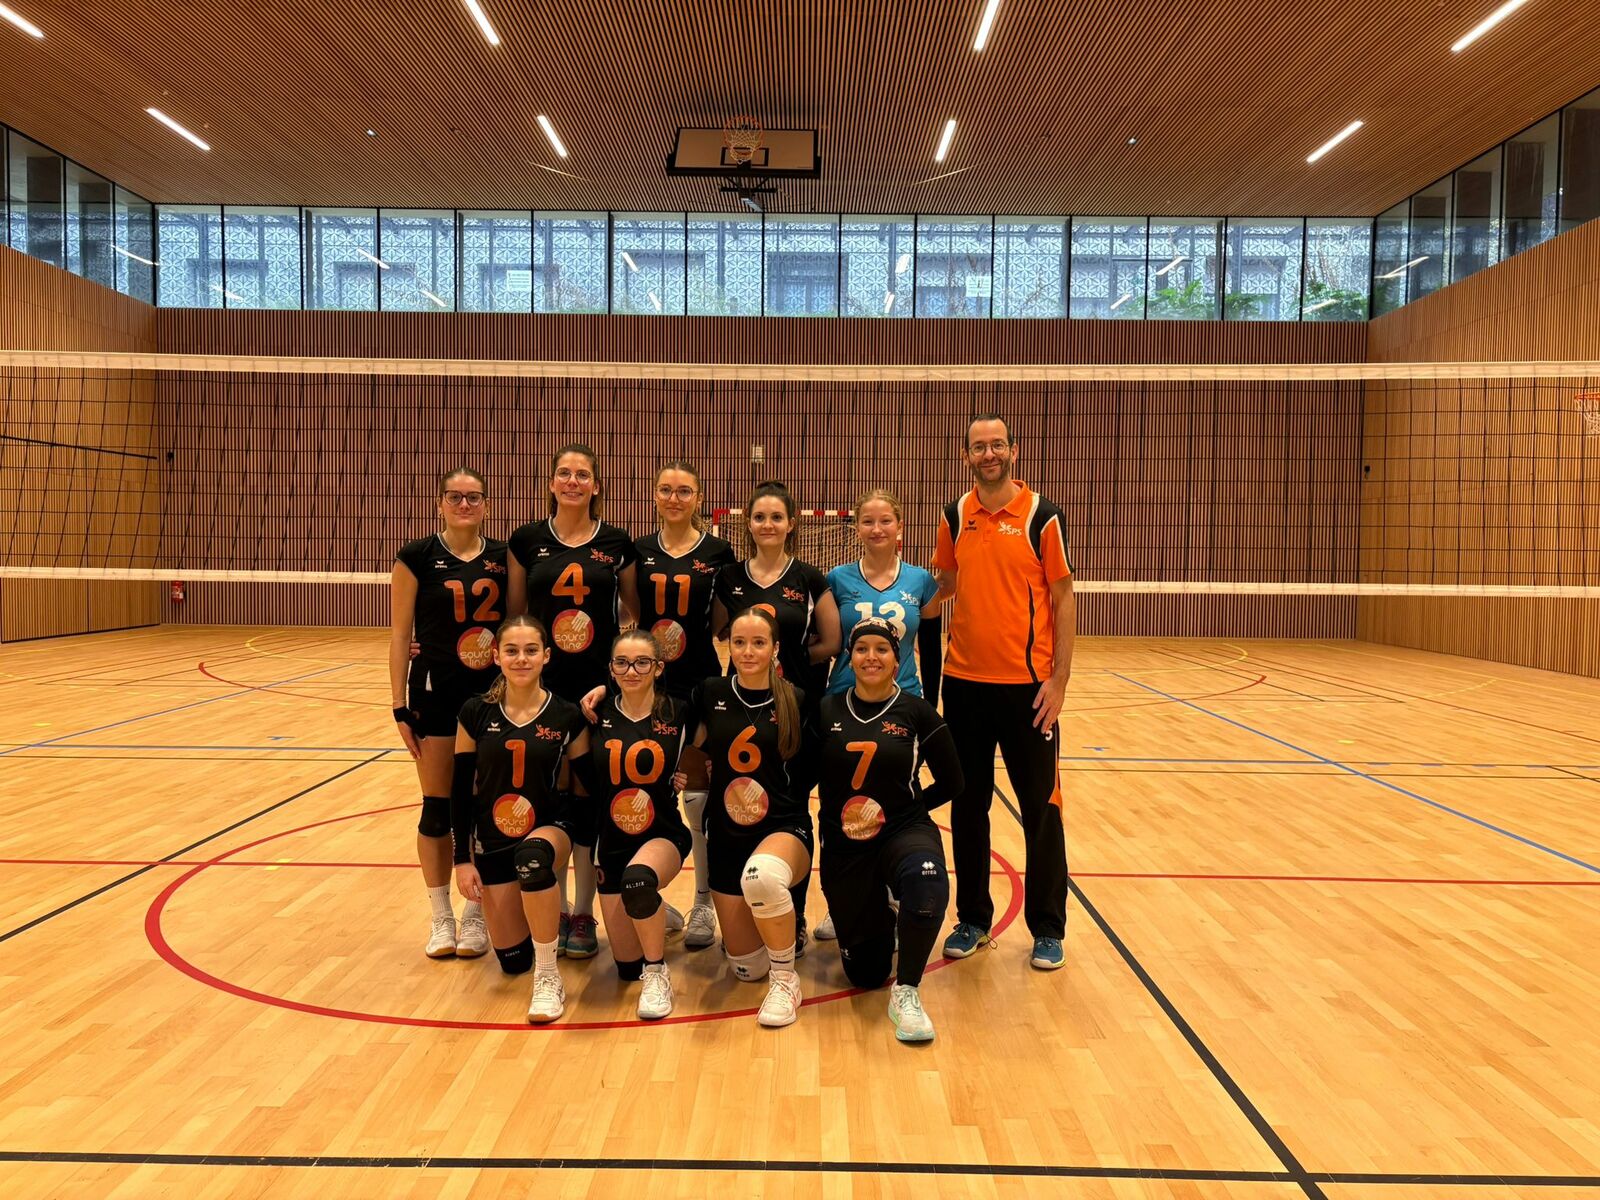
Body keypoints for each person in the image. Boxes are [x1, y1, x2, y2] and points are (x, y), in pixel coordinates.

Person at [931, 414, 1075, 971]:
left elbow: (1063, 598)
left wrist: (1058, 681)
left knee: (1042, 811)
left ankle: (1048, 928)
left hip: (1028, 692)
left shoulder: (1042, 515)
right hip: (964, 686)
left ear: (1014, 450)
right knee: (969, 808)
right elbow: (945, 586)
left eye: (997, 445)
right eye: (978, 447)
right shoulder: (954, 516)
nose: (988, 454)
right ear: (965, 456)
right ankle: (972, 919)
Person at [507, 444, 640, 960]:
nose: (572, 481)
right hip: (543, 691)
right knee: (549, 799)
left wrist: (614, 678)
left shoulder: (617, 543)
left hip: (596, 692)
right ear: (551, 483)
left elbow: (632, 616)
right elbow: (516, 618)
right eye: (563, 473)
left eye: (582, 474)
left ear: (596, 486)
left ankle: (583, 911)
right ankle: (555, 907)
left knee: (588, 802)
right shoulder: (527, 541)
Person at [816, 619, 963, 1042]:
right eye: (862, 649)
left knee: (927, 880)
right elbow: (800, 772)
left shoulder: (917, 712)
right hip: (846, 843)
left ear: (897, 661)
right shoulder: (827, 710)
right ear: (850, 658)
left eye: (881, 650)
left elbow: (954, 782)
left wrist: (909, 809)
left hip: (902, 830)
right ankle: (887, 915)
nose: (871, 657)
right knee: (866, 974)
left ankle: (907, 990)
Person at [711, 481, 840, 951]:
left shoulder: (809, 578)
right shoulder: (729, 576)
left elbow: (832, 640)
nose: (768, 524)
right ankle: (744, 906)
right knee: (742, 801)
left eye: (776, 517)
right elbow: (718, 632)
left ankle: (795, 913)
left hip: (794, 710)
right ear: (748, 523)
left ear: (791, 523)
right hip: (743, 709)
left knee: (790, 805)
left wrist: (794, 664)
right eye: (759, 516)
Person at [449, 616, 592, 1023]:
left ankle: (548, 976)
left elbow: (589, 786)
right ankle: (541, 923)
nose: (522, 659)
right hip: (493, 839)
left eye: (531, 651)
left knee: (533, 858)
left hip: (549, 829)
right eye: (512, 651)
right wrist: (462, 860)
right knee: (512, 960)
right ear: (496, 656)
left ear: (547, 656)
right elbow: (461, 791)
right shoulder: (475, 712)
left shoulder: (566, 715)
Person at [390, 466, 506, 960]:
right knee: (437, 807)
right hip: (434, 694)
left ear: (486, 505)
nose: (464, 505)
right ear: (439, 503)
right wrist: (399, 706)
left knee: (481, 807)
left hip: (491, 696)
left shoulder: (503, 557)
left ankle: (475, 911)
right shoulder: (416, 556)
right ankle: (440, 915)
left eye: (473, 497)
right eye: (454, 497)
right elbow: (400, 635)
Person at [685, 608, 813, 1027]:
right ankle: (775, 931)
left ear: (775, 648)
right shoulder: (710, 691)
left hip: (782, 827)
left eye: (759, 643)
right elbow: (673, 728)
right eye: (739, 642)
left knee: (761, 878)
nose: (747, 651)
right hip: (726, 835)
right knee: (747, 968)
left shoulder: (795, 698)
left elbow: (810, 770)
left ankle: (786, 980)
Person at [629, 460, 734, 950]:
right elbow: (632, 613)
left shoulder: (718, 552)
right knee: (642, 788)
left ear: (698, 499)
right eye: (666, 489)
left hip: (697, 683)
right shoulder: (638, 551)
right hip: (646, 685)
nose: (674, 498)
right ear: (654, 495)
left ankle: (703, 902)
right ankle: (647, 892)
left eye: (684, 491)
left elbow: (721, 622)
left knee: (697, 798)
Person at [586, 630, 697, 1019]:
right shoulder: (594, 714)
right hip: (611, 842)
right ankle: (656, 913)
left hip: (662, 834)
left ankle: (657, 972)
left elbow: (713, 747)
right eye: (622, 663)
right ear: (611, 669)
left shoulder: (680, 712)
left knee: (638, 881)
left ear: (658, 667)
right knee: (625, 968)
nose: (631, 671)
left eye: (642, 663)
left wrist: (686, 772)